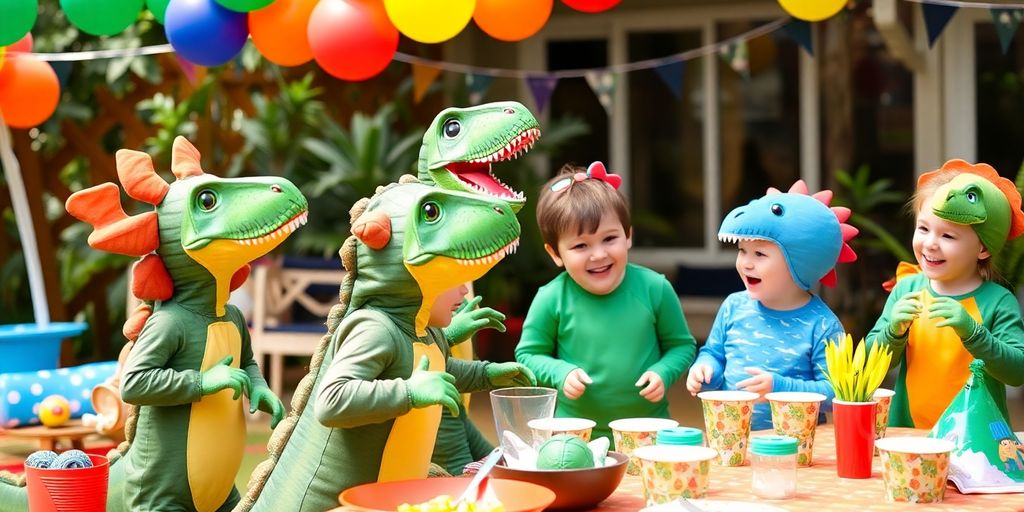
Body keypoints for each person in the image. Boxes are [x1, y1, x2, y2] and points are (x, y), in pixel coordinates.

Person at [515, 161, 697, 441]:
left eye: (609, 238)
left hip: (648, 429)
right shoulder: (551, 298)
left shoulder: (654, 288)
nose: (598, 254)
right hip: (574, 432)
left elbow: (682, 345)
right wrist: (561, 372)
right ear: (555, 254)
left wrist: (663, 372)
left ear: (628, 236)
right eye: (580, 246)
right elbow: (527, 355)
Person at [686, 180, 857, 431]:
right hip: (732, 443)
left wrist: (781, 389)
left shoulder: (822, 325)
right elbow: (714, 354)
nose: (745, 263)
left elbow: (837, 394)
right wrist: (705, 370)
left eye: (759, 254)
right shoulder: (733, 306)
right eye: (742, 251)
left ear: (799, 264)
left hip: (795, 449)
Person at [867, 159, 1024, 429]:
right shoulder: (907, 289)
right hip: (910, 436)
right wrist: (893, 332)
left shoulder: (998, 301)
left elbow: (1017, 371)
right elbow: (870, 364)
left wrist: (973, 333)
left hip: (976, 442)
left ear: (983, 249)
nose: (930, 244)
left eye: (948, 236)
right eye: (923, 228)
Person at [430, 287, 509, 475]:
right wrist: (447, 335)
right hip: (436, 409)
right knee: (464, 482)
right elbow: (412, 354)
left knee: (505, 464)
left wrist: (487, 373)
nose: (463, 289)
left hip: (456, 404)